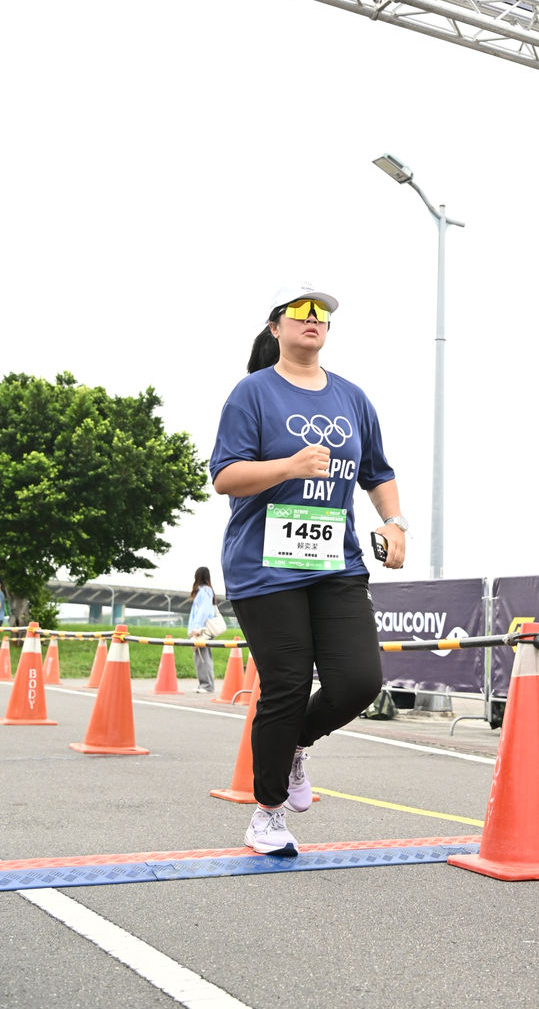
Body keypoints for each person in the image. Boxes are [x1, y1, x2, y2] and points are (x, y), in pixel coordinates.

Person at [210, 282, 406, 856]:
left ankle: (294, 745)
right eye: (299, 311)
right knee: (288, 685)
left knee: (358, 682)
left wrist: (395, 523)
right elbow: (225, 476)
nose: (312, 318)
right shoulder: (252, 393)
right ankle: (267, 814)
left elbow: (378, 472)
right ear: (276, 328)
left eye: (321, 313)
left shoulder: (352, 398)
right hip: (264, 566)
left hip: (335, 563)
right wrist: (288, 466)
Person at [187, 566, 217, 694]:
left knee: (202, 658)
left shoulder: (204, 591)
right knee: (203, 657)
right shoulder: (207, 590)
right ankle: (205, 684)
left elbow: (203, 611)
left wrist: (196, 628)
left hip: (201, 630)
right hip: (203, 629)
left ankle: (207, 685)